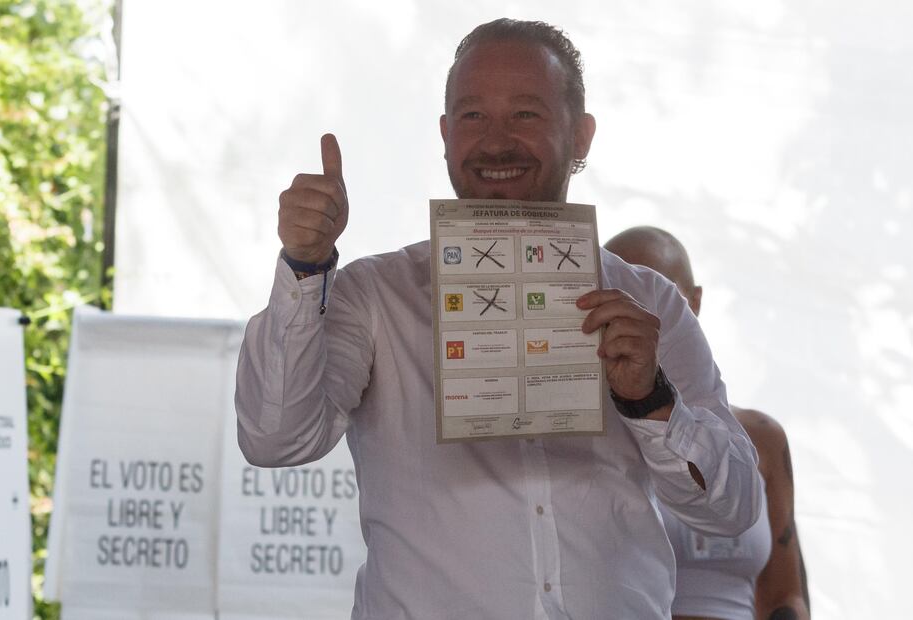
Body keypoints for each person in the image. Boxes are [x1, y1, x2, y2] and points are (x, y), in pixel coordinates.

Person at [235, 18, 761, 620]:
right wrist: (305, 266)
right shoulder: (376, 294)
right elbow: (273, 438)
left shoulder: (652, 304)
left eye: (527, 115)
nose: (496, 142)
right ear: (445, 134)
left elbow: (731, 510)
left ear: (581, 136)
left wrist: (651, 401)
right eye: (473, 116)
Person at [605, 226, 811, 620]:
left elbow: (785, 595)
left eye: (657, 298)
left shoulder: (762, 436)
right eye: (623, 301)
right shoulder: (589, 439)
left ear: (692, 303)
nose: (637, 323)